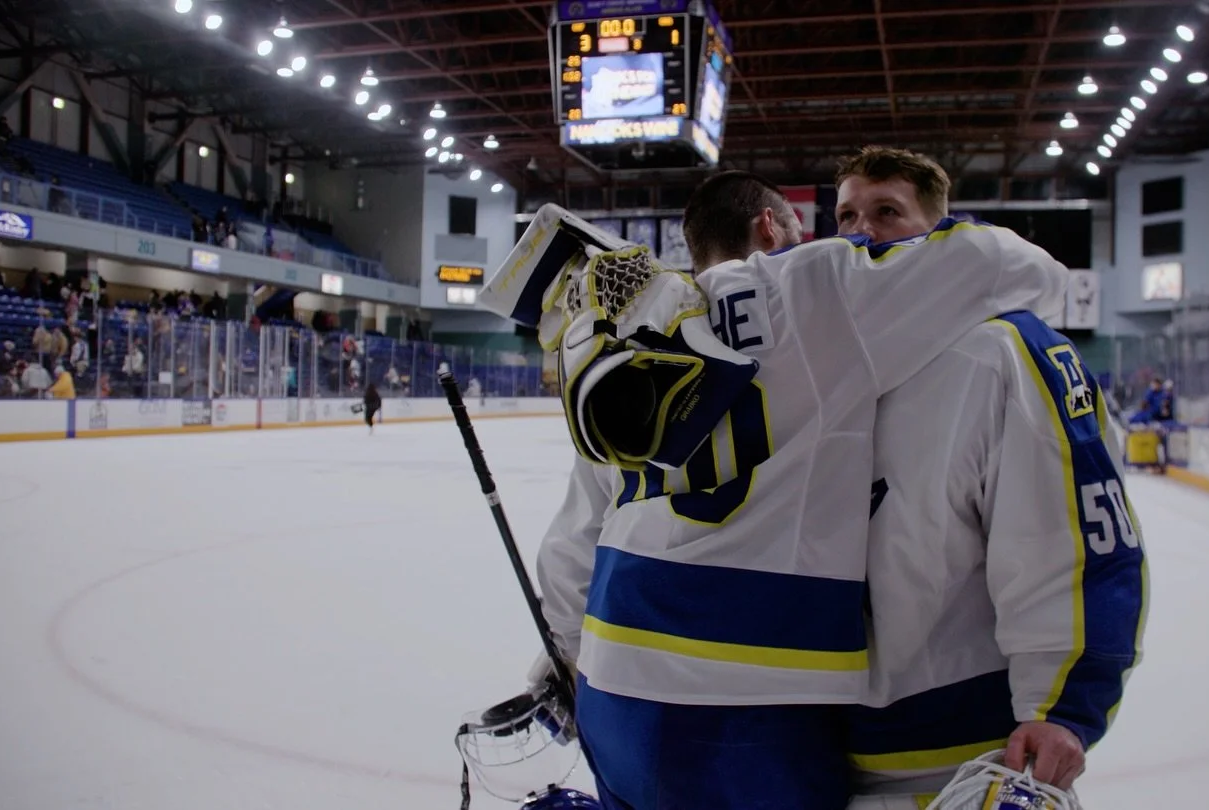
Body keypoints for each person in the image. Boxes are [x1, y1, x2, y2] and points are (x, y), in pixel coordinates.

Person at [478, 172, 1069, 809]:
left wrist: (570, 657)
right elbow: (1019, 268)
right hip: (756, 699)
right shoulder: (817, 284)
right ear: (770, 227)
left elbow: (572, 549)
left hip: (612, 682)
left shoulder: (627, 343)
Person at [830, 146, 1145, 804]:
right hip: (827, 748)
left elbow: (1073, 544)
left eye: (888, 212)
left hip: (968, 756)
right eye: (847, 215)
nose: (862, 231)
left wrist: (1061, 706)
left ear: (939, 230)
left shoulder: (1001, 351)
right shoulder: (827, 361)